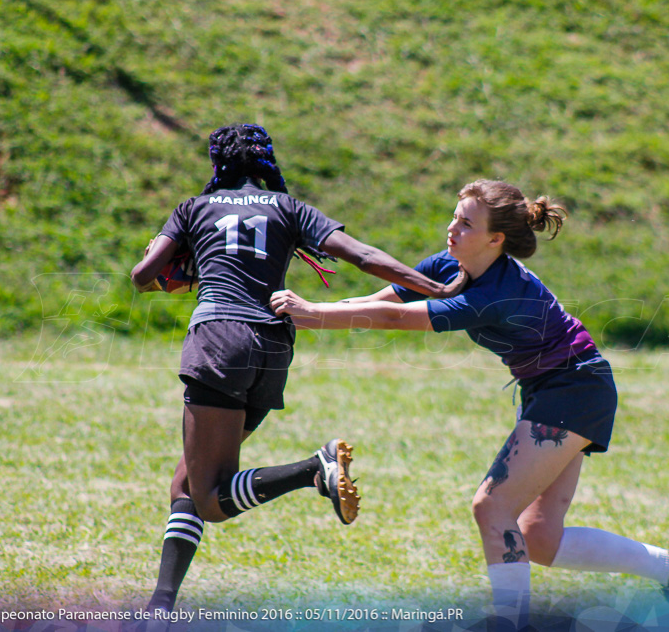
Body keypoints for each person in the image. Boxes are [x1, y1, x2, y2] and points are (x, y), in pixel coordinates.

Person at [270, 179, 669, 631]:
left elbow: (395, 318)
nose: (452, 228)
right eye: (455, 216)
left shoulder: (495, 294)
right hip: (556, 388)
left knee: (491, 508)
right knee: (539, 539)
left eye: (466, 223)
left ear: (496, 239)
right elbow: (380, 301)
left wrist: (314, 311)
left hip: (574, 389)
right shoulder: (449, 264)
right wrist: (311, 310)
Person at [129, 123, 467, 618]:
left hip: (218, 339)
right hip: (272, 342)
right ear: (265, 163)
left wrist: (180, 274)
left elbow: (142, 277)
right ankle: (161, 605)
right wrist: (433, 287)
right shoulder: (287, 207)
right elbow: (363, 256)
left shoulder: (192, 209)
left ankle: (313, 469)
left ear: (217, 164)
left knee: (209, 500)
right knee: (188, 482)